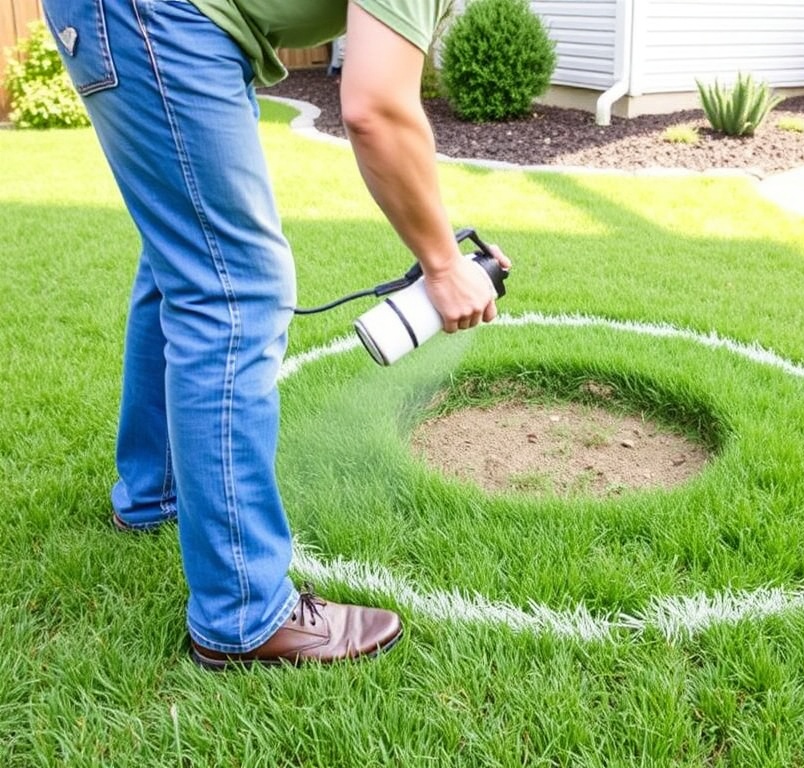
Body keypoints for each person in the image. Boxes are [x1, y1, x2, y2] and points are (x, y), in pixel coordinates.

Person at [41, 0, 508, 669]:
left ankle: (151, 493)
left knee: (184, 259)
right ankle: (242, 612)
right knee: (236, 288)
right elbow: (375, 108)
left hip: (123, 18)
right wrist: (442, 264)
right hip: (156, 20)